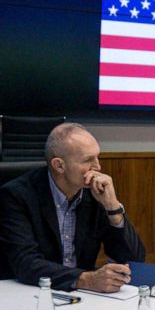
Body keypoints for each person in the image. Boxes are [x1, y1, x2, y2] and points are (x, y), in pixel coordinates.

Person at [0, 123, 145, 292]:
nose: (97, 167)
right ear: (59, 165)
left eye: (97, 157)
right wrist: (86, 280)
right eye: (87, 160)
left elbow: (135, 261)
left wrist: (112, 207)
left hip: (82, 296)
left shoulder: (95, 193)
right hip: (29, 292)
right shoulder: (15, 196)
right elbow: (26, 263)